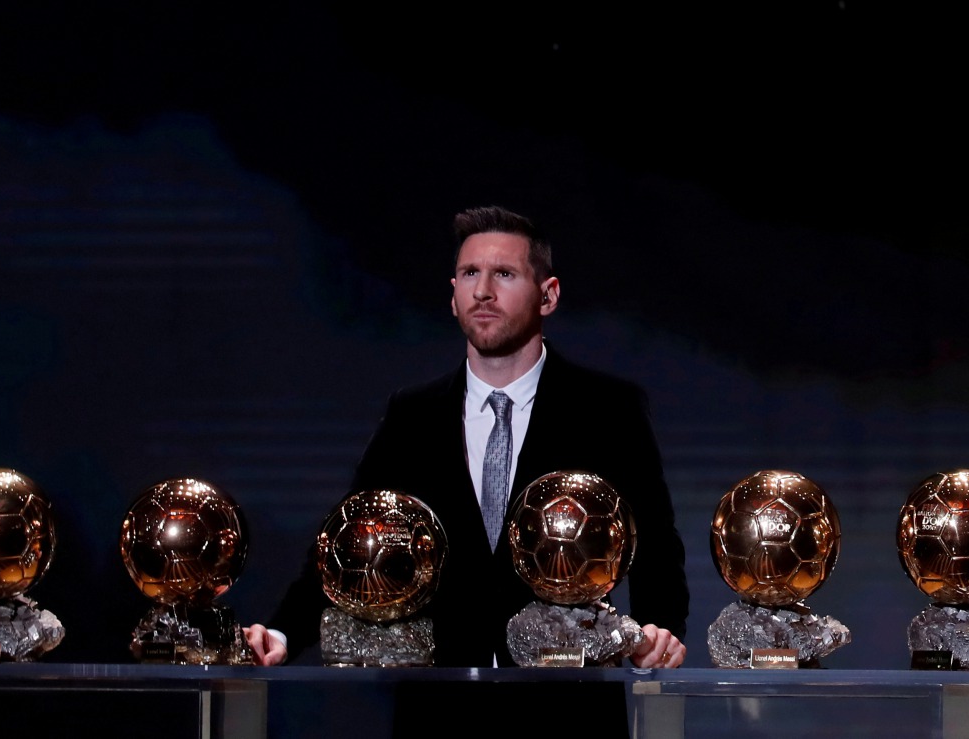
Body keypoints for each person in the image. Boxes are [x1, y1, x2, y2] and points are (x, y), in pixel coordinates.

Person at [246, 206, 689, 735]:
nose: (483, 290)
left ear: (547, 294)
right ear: (452, 294)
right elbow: (350, 541)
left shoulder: (607, 409)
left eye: (504, 274)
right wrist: (284, 632)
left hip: (571, 708)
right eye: (470, 274)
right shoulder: (412, 415)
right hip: (442, 709)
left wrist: (661, 633)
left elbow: (656, 545)